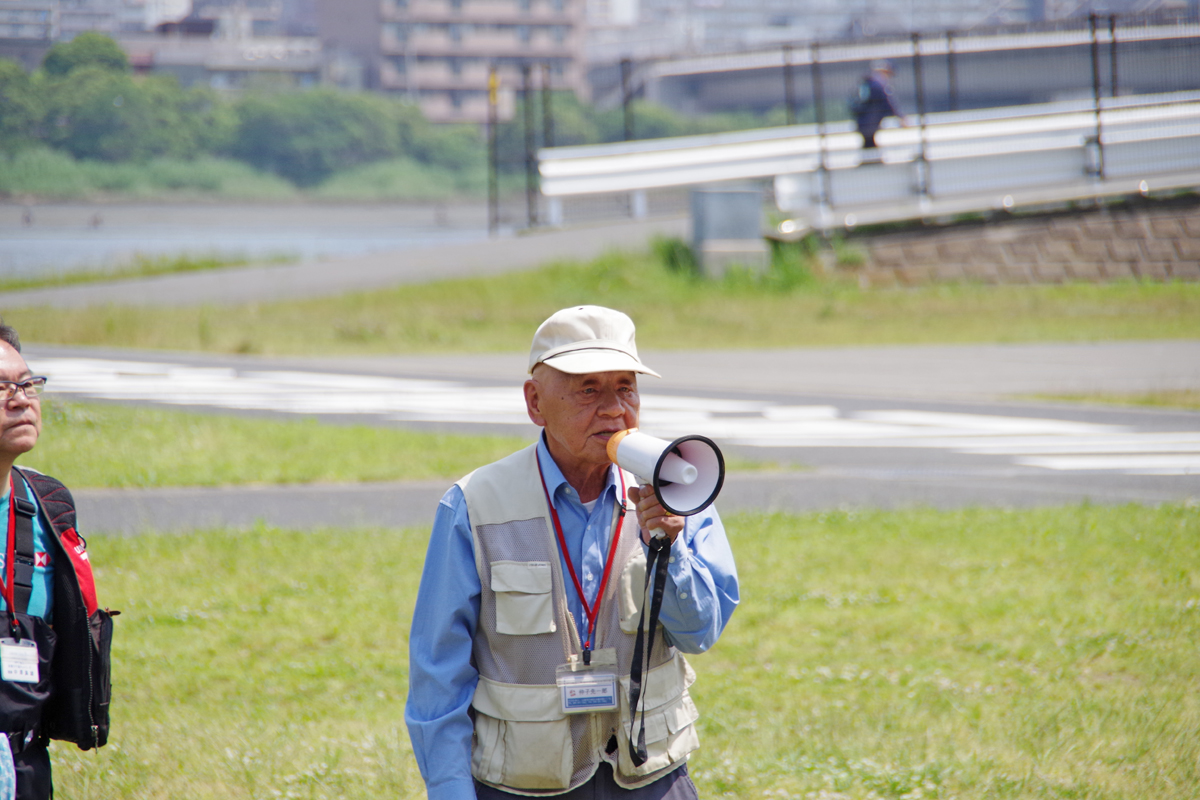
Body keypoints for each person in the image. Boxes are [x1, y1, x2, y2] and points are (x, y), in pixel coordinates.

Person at [406, 305, 739, 800]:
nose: (613, 409)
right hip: (521, 785)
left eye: (626, 387)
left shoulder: (674, 486)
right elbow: (438, 675)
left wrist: (666, 547)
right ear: (535, 403)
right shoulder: (474, 505)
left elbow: (700, 632)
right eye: (589, 389)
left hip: (649, 779)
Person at [0, 321, 113, 800]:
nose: (20, 399)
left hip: (25, 761)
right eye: (0, 388)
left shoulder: (47, 503)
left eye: (27, 384)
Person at [852, 60, 909, 150]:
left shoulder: (867, 84)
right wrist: (901, 117)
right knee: (870, 148)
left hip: (864, 123)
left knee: (869, 146)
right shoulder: (877, 85)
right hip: (870, 123)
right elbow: (888, 103)